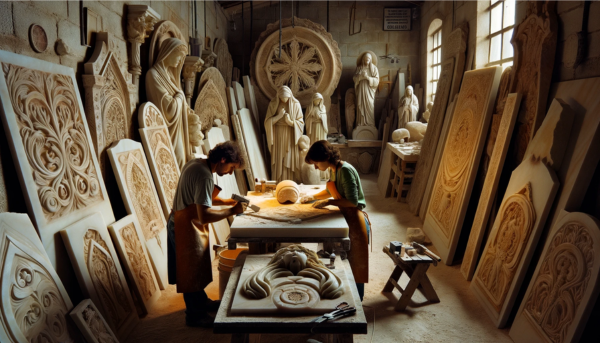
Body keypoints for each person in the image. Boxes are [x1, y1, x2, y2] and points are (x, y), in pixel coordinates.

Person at [167, 141, 246, 327]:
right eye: (231, 167)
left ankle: (201, 302)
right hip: (184, 226)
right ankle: (194, 316)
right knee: (189, 272)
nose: (230, 172)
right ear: (223, 159)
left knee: (196, 269)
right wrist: (232, 211)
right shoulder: (205, 176)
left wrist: (228, 202)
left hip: (180, 220)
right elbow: (204, 215)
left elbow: (203, 198)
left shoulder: (198, 162)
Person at [301, 140, 370, 301]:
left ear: (325, 157)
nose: (316, 167)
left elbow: (352, 201)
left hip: (356, 219)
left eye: (316, 163)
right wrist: (313, 197)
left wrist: (330, 202)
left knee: (356, 263)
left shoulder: (344, 170)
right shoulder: (334, 169)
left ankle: (357, 299)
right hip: (345, 215)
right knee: (341, 258)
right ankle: (343, 291)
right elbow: (329, 190)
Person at [146, 37, 201, 169]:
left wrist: (189, 112)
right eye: (178, 56)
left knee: (181, 163)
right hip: (168, 132)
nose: (180, 61)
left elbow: (179, 101)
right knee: (177, 162)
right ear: (168, 53)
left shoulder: (169, 77)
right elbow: (168, 109)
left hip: (179, 130)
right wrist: (181, 96)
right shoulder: (153, 75)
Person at [264, 85, 305, 183]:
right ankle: (279, 181)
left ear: (290, 96)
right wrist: (278, 116)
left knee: (289, 157)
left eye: (286, 98)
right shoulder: (273, 104)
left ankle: (291, 182)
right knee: (279, 158)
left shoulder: (296, 104)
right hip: (278, 134)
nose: (284, 100)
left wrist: (290, 122)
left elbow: (301, 123)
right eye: (282, 98)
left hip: (291, 135)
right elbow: (267, 122)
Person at [353, 51, 379, 127]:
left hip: (369, 91)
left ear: (371, 60)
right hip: (361, 90)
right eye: (366, 58)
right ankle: (360, 124)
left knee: (370, 106)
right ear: (363, 59)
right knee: (360, 105)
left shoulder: (374, 68)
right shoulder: (359, 68)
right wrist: (360, 77)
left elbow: (377, 81)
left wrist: (367, 77)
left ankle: (370, 124)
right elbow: (354, 79)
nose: (367, 60)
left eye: (369, 59)